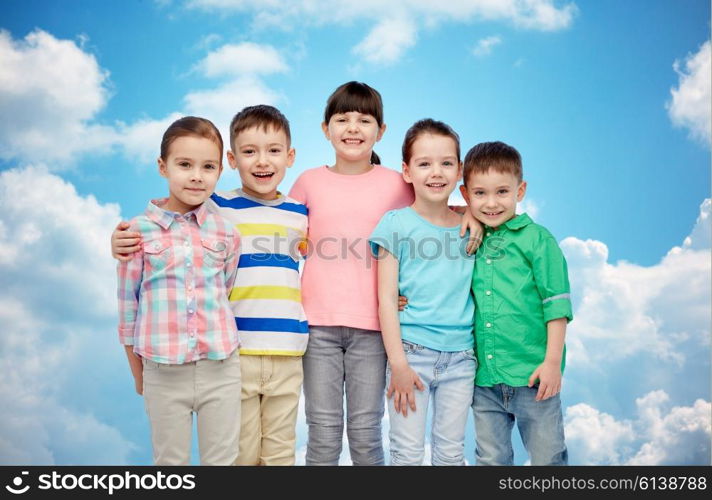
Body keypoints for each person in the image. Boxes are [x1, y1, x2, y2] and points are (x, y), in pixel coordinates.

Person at [288, 82, 481, 465]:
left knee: (365, 432)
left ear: (382, 131)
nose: (353, 128)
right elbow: (276, 220)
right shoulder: (309, 182)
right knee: (323, 431)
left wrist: (470, 211)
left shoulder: (396, 182)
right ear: (326, 129)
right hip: (318, 326)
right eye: (342, 119)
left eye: (364, 119)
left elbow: (434, 207)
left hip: (375, 329)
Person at [113, 105, 308, 465]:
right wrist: (120, 238)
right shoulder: (214, 208)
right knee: (229, 454)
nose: (197, 177)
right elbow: (131, 299)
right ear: (232, 161)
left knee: (269, 452)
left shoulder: (292, 213)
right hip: (212, 355)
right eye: (249, 152)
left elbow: (226, 281)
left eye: (207, 167)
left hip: (262, 352)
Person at [117, 116, 241, 465]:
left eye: (208, 166)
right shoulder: (135, 232)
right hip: (162, 370)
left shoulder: (227, 233)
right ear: (163, 166)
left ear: (219, 171)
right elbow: (128, 307)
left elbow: (225, 290)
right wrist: (137, 371)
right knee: (170, 464)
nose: (197, 176)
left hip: (221, 366)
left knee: (223, 461)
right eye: (185, 164)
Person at [369, 119, 476, 465]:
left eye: (447, 163)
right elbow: (386, 300)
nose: (437, 172)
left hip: (462, 358)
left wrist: (471, 210)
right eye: (424, 163)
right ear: (406, 170)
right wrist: (398, 364)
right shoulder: (395, 224)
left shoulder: (472, 227)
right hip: (412, 356)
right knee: (407, 451)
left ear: (460, 170)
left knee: (451, 452)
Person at [460, 141, 573, 466]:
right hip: (485, 379)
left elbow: (556, 306)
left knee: (547, 456)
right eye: (480, 194)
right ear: (466, 194)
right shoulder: (471, 235)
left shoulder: (538, 240)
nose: (491, 203)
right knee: (491, 459)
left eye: (502, 192)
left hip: (533, 376)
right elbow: (436, 209)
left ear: (520, 190)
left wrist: (552, 363)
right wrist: (467, 213)